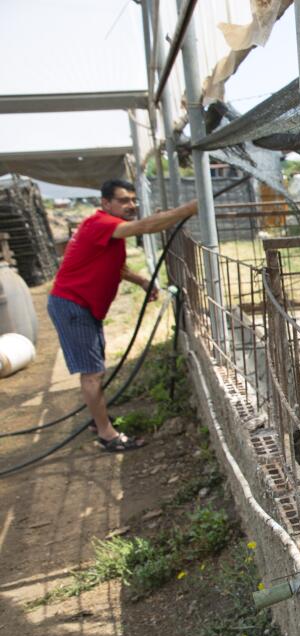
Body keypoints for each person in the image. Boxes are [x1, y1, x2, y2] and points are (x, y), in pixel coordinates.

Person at [47, 179, 198, 452]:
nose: (131, 205)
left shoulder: (104, 228)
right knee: (92, 374)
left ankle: (98, 419)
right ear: (106, 203)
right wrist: (189, 209)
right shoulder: (101, 223)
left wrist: (141, 280)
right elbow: (145, 226)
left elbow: (113, 265)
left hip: (82, 305)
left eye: (132, 199)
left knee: (96, 369)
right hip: (73, 305)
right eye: (123, 200)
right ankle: (107, 435)